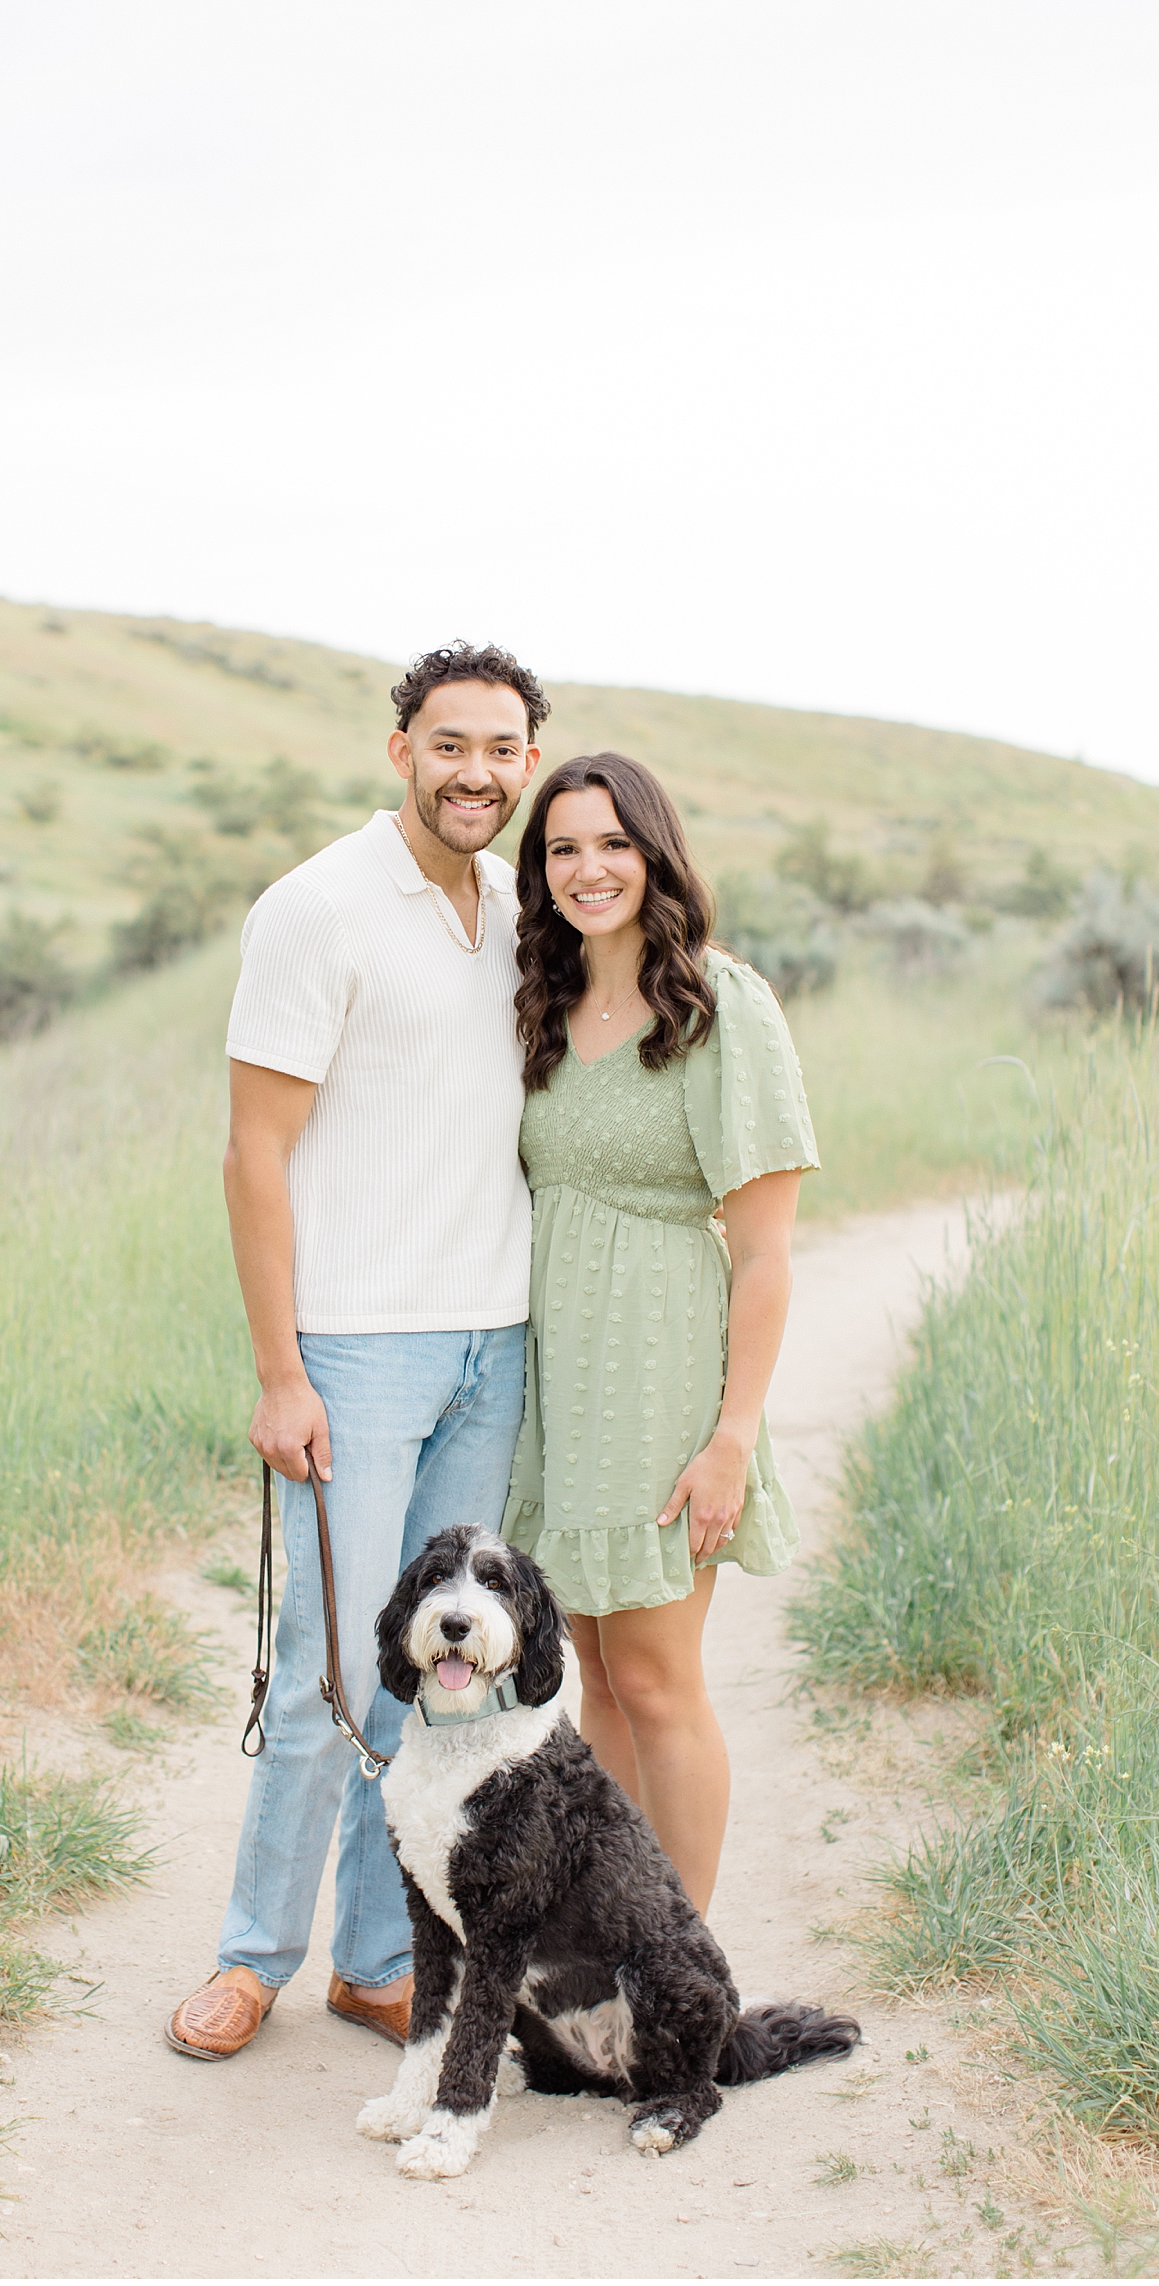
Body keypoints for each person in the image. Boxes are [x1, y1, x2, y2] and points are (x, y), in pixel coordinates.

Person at [166, 641, 547, 2063]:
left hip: (490, 1347)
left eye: (503, 749)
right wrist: (282, 1370)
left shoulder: (519, 909)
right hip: (359, 1349)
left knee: (446, 1675)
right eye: (452, 745)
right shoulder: (316, 909)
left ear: (526, 760)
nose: (478, 773)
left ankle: (381, 1958)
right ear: (403, 749)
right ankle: (254, 1956)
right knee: (332, 1660)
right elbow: (252, 1154)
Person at [501, 751, 815, 1914]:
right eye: (563, 848)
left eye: (612, 843)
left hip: (663, 1373)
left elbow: (767, 1250)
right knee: (595, 1680)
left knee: (659, 1678)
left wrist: (731, 1435)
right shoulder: (545, 1000)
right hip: (561, 1381)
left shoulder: (717, 1003)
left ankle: (683, 1971)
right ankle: (610, 1947)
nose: (589, 869)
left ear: (655, 851)